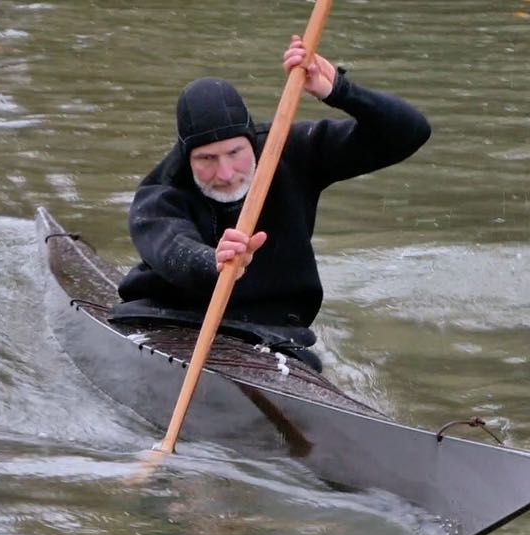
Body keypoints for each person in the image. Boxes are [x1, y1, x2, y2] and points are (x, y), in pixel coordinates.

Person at [110, 35, 431, 371]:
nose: (226, 173)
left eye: (235, 153)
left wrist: (339, 91)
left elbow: (410, 132)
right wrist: (213, 262)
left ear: (251, 142)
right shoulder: (161, 190)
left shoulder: (292, 151)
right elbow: (170, 247)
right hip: (171, 317)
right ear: (186, 157)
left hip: (271, 331)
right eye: (207, 159)